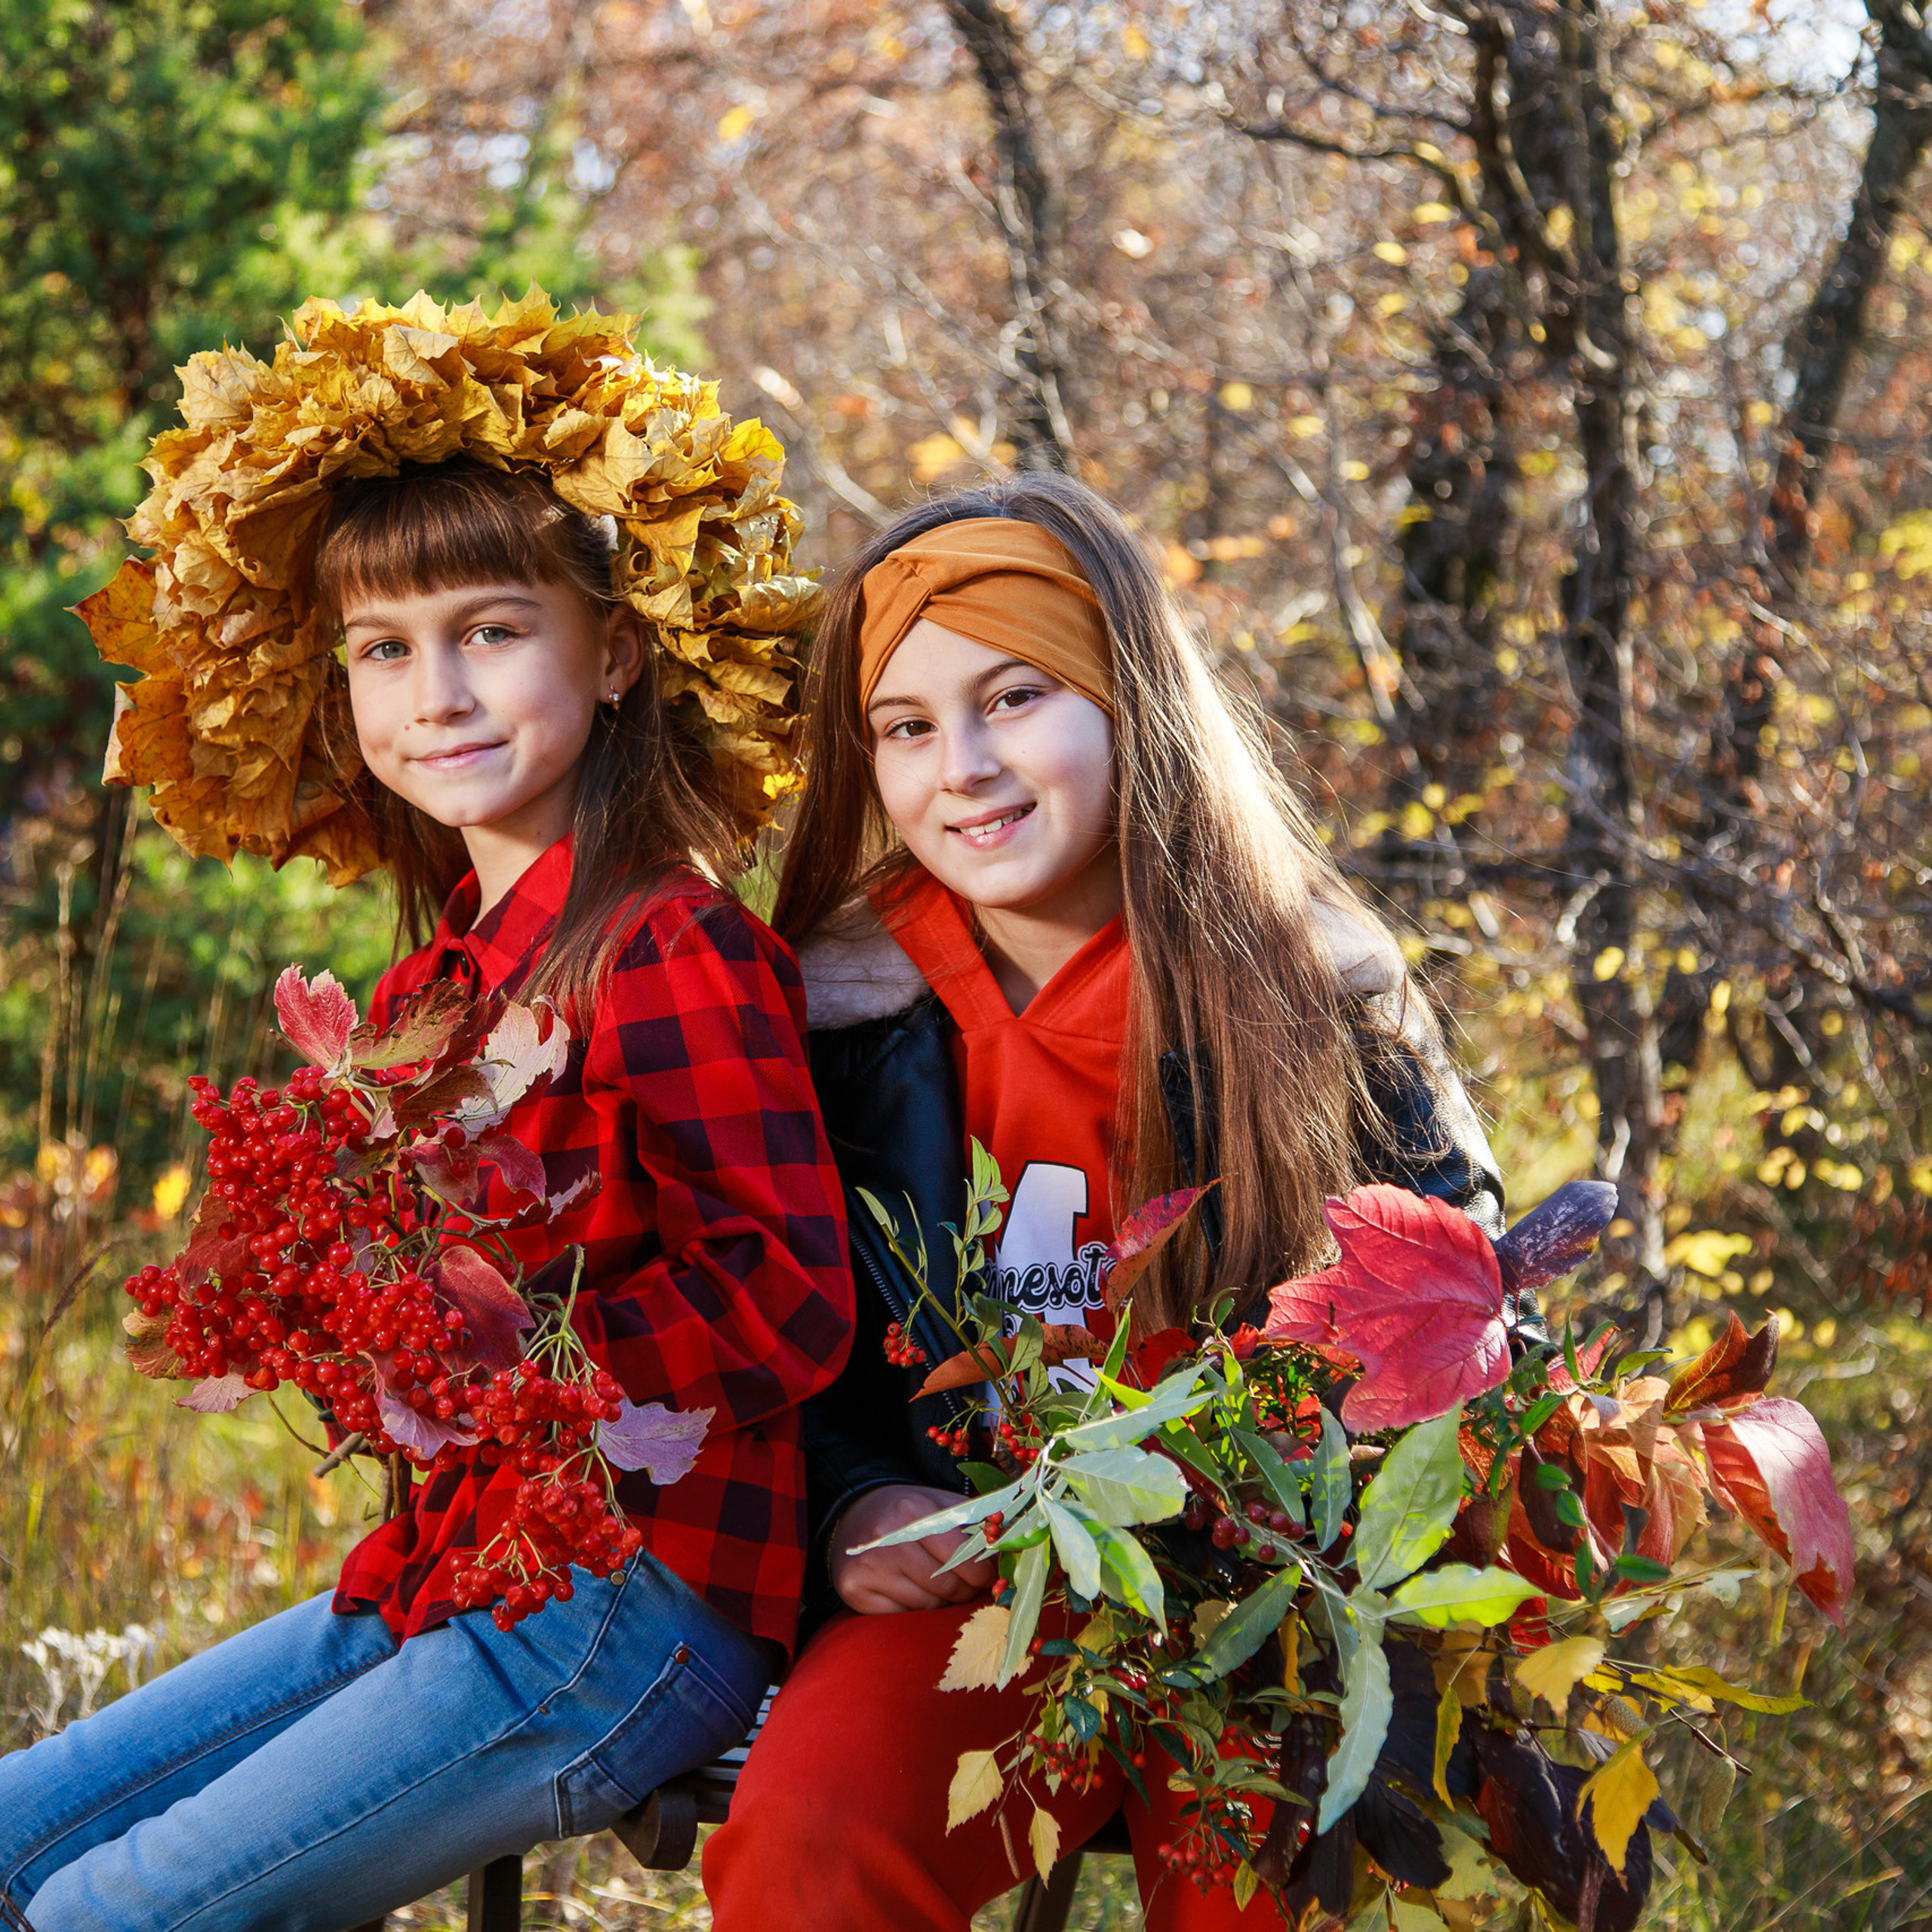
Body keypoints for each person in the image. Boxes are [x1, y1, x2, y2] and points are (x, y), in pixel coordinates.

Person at [5, 296, 853, 1932]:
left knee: (112, 1911)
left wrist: (535, 1377)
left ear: (611, 652)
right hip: (457, 1574)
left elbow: (789, 1290)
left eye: (488, 629)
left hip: (628, 1602)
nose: (435, 692)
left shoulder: (665, 947)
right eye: (384, 649)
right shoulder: (425, 1000)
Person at [702, 472, 1516, 1930]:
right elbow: (763, 1322)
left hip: (1264, 1601)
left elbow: (1462, 1306)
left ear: (1130, 700)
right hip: (977, 1591)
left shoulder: (1316, 992)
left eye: (1015, 698)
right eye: (906, 727)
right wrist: (850, 1502)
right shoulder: (826, 1010)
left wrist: (1312, 1485)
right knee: (809, 1843)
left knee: (1284, 1889)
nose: (960, 766)